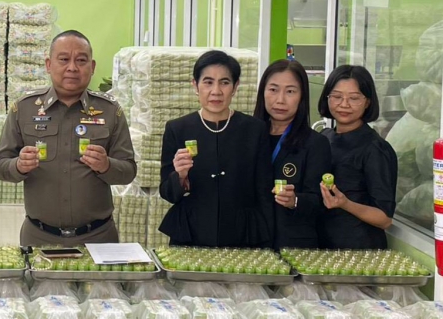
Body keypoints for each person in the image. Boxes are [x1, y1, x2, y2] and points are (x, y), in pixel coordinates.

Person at [0, 30, 136, 246]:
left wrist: (106, 165)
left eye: (81, 60)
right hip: (39, 237)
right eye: (63, 59)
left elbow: (128, 171)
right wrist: (19, 166)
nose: (72, 68)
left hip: (98, 237)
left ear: (92, 67)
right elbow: (1, 165)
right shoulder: (24, 109)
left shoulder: (110, 111)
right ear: (49, 64)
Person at [159, 50, 274, 248]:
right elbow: (167, 193)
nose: (216, 91)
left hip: (242, 234)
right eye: (208, 82)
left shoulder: (254, 129)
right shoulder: (177, 129)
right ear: (195, 85)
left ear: (235, 87)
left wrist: (267, 239)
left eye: (224, 82)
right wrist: (180, 176)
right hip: (190, 233)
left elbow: (263, 190)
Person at [253, 59, 332, 249]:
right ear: (263, 92)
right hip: (251, 243)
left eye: (290, 91)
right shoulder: (247, 136)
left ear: (302, 96)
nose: (280, 100)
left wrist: (295, 200)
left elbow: (320, 201)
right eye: (273, 89)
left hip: (293, 247)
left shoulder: (316, 143)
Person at [317, 64, 397, 249]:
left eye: (354, 98)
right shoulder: (324, 137)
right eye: (337, 96)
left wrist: (345, 203)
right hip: (322, 247)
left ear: (367, 102)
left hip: (359, 251)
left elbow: (384, 219)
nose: (344, 104)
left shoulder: (375, 149)